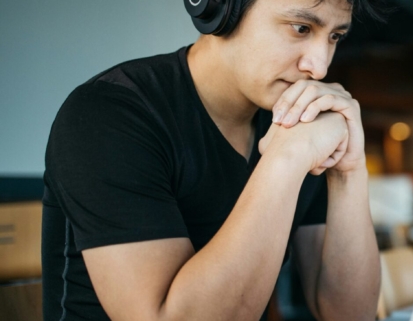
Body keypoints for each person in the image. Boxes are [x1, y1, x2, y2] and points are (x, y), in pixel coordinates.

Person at [41, 0, 382, 320]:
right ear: (221, 8)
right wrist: (286, 158)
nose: (319, 66)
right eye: (300, 28)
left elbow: (348, 314)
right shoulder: (109, 114)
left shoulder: (297, 120)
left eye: (335, 36)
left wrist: (348, 171)